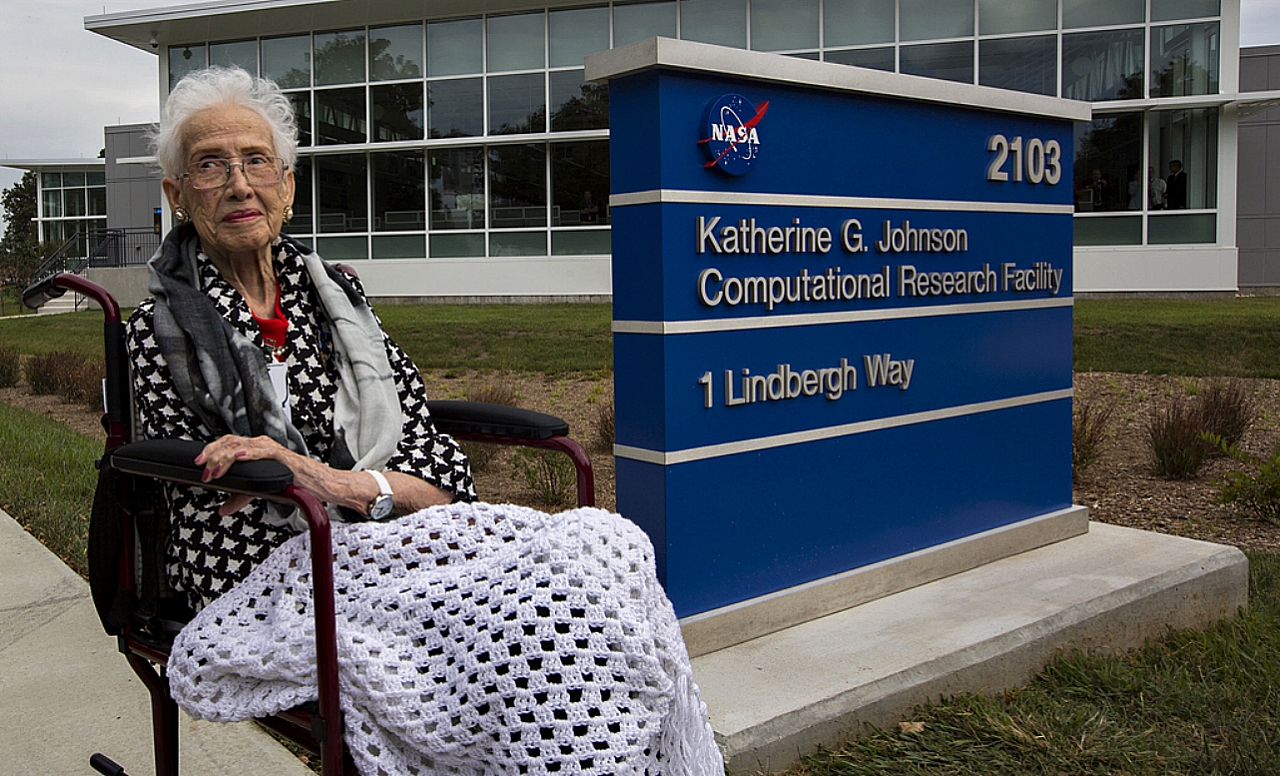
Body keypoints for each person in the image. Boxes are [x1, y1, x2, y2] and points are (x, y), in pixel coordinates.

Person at [126, 66, 476, 612]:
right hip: (262, 571)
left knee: (593, 561)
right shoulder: (157, 330)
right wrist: (364, 495)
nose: (239, 184)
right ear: (178, 194)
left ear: (286, 186)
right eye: (210, 165)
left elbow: (441, 474)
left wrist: (334, 483)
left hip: (390, 543)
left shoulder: (341, 301)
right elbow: (218, 504)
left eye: (256, 161)